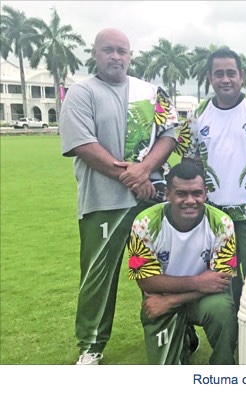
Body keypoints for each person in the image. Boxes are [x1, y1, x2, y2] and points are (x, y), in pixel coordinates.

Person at [59, 28, 178, 365]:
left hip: (152, 198)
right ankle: (91, 346)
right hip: (104, 201)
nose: (115, 57)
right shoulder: (81, 92)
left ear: (130, 56)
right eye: (108, 50)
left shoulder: (149, 91)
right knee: (99, 276)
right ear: (94, 54)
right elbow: (82, 144)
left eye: (121, 51)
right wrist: (132, 175)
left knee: (166, 269)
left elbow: (170, 133)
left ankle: (178, 335)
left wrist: (146, 170)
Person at [182, 47, 246, 326]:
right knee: (221, 277)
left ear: (242, 76)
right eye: (219, 74)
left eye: (231, 73)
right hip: (213, 216)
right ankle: (231, 334)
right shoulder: (196, 115)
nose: (225, 79)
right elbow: (188, 162)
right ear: (210, 78)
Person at [127, 162, 238, 364]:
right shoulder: (143, 224)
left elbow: (220, 281)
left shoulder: (222, 224)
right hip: (160, 298)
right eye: (181, 194)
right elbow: (146, 282)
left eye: (197, 193)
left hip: (200, 299)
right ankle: (185, 336)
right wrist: (198, 282)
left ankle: (224, 367)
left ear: (206, 193)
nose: (190, 201)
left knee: (222, 308)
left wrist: (172, 301)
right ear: (167, 194)